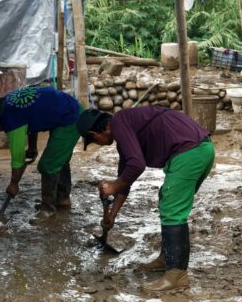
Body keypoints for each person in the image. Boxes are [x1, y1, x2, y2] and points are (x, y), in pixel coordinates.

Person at [85, 106, 215, 291]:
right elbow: (126, 179)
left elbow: (136, 165)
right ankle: (167, 259)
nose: (96, 144)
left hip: (190, 152)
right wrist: (112, 215)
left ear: (95, 133)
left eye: (93, 141)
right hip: (199, 150)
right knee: (168, 200)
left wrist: (113, 185)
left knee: (172, 209)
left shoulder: (119, 122)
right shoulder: (125, 127)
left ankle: (176, 276)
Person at [0, 86, 101, 222]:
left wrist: (14, 183)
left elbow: (17, 159)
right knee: (59, 160)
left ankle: (47, 210)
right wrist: (32, 147)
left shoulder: (11, 118)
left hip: (71, 118)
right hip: (68, 110)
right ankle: (62, 200)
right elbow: (31, 120)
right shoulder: (6, 104)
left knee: (48, 164)